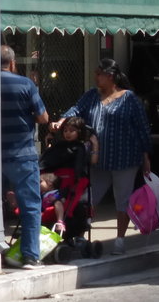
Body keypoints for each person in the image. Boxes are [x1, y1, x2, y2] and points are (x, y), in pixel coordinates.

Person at [56, 58, 152, 255]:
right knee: (89, 198)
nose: (96, 77)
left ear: (110, 76)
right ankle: (81, 234)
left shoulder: (129, 99)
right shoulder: (92, 95)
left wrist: (145, 155)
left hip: (125, 158)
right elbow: (77, 109)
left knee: (122, 200)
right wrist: (63, 120)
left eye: (99, 74)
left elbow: (142, 128)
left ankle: (119, 241)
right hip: (97, 158)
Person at [0, 45, 49, 269]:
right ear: (12, 63)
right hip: (22, 155)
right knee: (30, 205)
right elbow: (43, 117)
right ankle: (30, 256)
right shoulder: (25, 84)